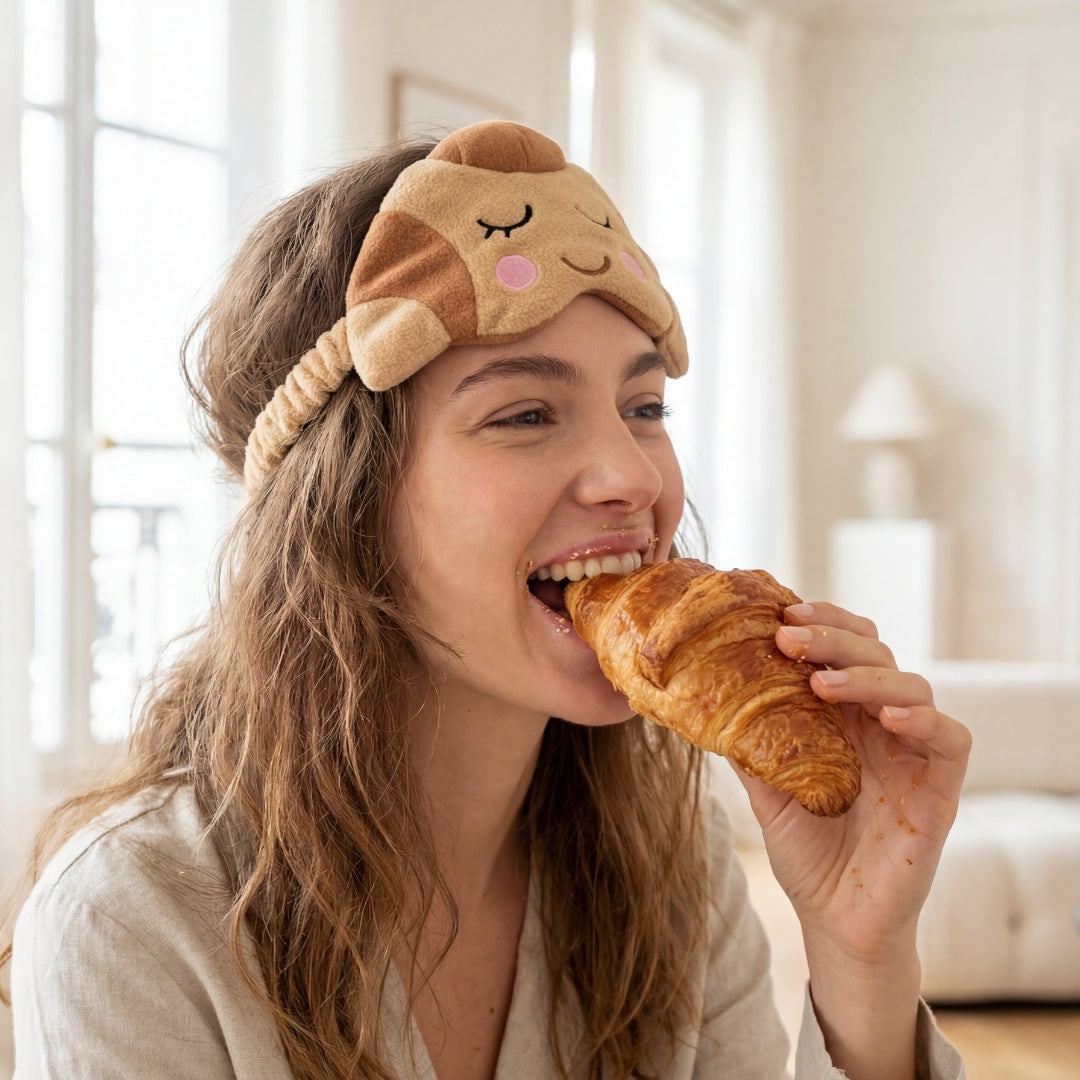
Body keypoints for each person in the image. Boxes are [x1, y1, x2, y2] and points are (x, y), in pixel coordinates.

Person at [1, 121, 970, 1080]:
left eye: (646, 408)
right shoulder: (131, 921)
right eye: (525, 414)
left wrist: (861, 959)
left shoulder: (676, 869)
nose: (632, 475)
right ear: (339, 504)